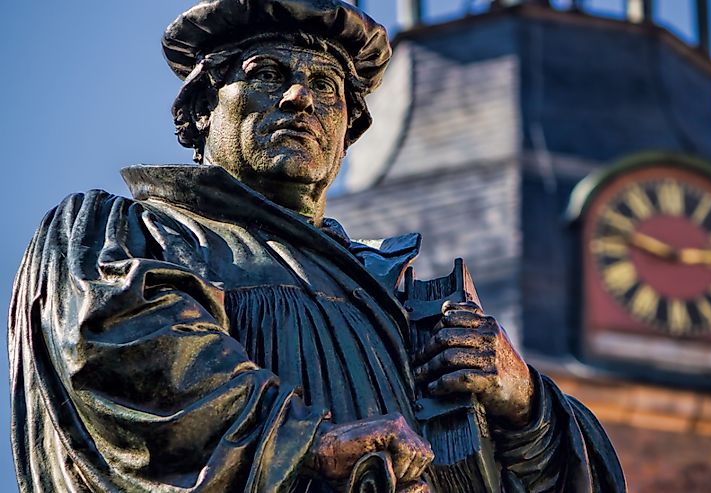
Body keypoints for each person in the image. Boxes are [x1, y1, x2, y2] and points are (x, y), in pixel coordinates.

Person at [8, 1, 625, 491]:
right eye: (266, 74)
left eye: (326, 86)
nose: (300, 97)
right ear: (200, 112)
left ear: (345, 133)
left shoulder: (390, 296)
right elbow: (125, 361)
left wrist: (523, 401)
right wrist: (311, 449)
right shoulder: (123, 237)